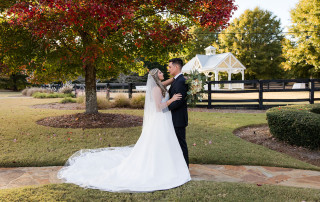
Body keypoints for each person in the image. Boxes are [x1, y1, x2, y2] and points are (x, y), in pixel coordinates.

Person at [57, 68, 191, 192]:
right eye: (161, 73)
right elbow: (158, 107)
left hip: (164, 120)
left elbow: (168, 81)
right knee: (157, 144)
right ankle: (157, 167)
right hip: (160, 119)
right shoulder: (156, 89)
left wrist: (178, 78)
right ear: (157, 76)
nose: (164, 73)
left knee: (164, 143)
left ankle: (167, 165)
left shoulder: (160, 85)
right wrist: (171, 100)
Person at [167, 58, 189, 167]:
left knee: (181, 144)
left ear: (176, 67)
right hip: (174, 117)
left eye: (170, 67)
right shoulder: (177, 79)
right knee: (176, 144)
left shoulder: (181, 81)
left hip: (178, 118)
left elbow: (179, 101)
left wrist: (165, 108)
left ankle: (185, 167)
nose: (168, 69)